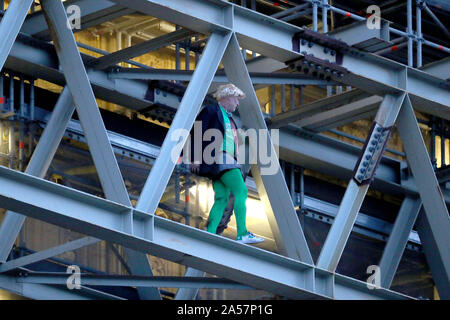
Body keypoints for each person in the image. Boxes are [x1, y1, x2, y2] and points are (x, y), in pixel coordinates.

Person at [190, 83, 264, 244]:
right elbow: (197, 132)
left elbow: (230, 138)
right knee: (241, 191)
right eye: (236, 100)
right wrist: (196, 158)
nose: (237, 104)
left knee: (222, 198)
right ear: (227, 97)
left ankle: (210, 233)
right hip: (222, 158)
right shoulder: (211, 110)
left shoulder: (229, 119)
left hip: (220, 161)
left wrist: (244, 138)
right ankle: (242, 233)